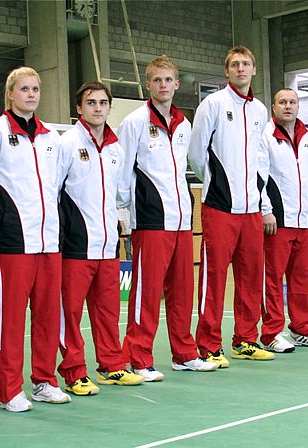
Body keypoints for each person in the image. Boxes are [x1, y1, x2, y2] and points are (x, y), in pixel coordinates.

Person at [0, 67, 69, 412]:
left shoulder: (52, 139)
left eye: (36, 89)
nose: (31, 94)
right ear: (10, 94)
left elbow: (55, 187)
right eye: (24, 89)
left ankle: (44, 381)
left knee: (46, 316)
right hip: (13, 243)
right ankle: (10, 389)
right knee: (11, 320)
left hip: (48, 243)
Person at [117, 56, 218, 381]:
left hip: (181, 219)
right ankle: (138, 356)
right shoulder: (134, 122)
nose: (163, 85)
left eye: (168, 80)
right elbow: (121, 174)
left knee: (182, 290)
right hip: (150, 220)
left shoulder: (184, 125)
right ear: (148, 85)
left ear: (177, 84)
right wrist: (125, 211)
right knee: (146, 292)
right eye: (157, 80)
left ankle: (184, 353)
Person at [187, 46, 273, 366]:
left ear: (254, 70)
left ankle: (246, 339)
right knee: (214, 278)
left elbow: (261, 158)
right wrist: (216, 184)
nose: (240, 69)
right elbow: (196, 153)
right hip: (220, 207)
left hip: (251, 209)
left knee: (251, 277)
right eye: (234, 65)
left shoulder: (260, 111)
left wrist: (260, 198)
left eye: (246, 64)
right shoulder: (212, 104)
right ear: (226, 72)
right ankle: (209, 344)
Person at [58, 81, 145, 395]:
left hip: (109, 245)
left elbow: (120, 195)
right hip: (75, 247)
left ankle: (112, 366)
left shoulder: (116, 148)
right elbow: (55, 193)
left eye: (102, 102)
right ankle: (73, 371)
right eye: (91, 103)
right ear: (79, 108)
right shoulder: (66, 143)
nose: (97, 108)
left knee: (108, 312)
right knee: (69, 313)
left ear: (109, 107)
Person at [260, 88, 308, 353]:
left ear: (298, 106)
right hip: (276, 221)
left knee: (302, 279)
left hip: (303, 221)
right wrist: (265, 209)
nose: (287, 106)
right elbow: (260, 176)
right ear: (273, 107)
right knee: (272, 279)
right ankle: (271, 333)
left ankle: (302, 329)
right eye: (282, 102)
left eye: (292, 102)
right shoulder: (265, 137)